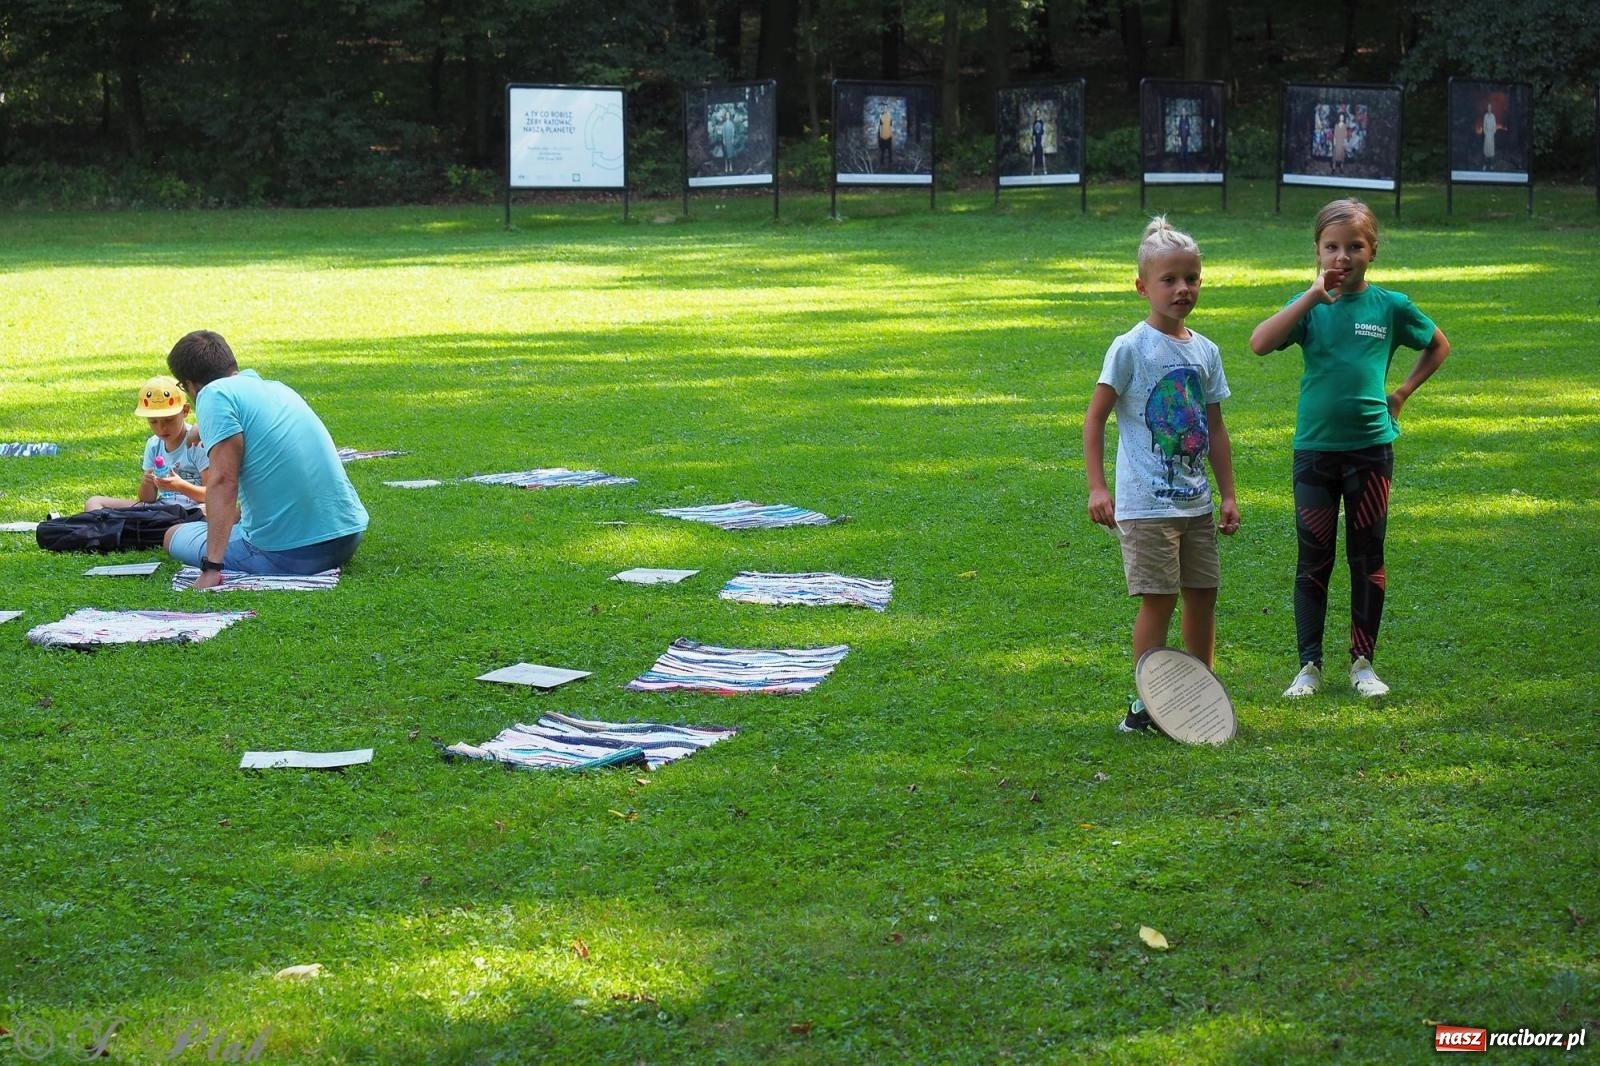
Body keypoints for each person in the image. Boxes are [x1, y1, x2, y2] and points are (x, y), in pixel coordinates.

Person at [1248, 198, 1450, 699]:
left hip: (1370, 452)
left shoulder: (1391, 306)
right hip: (1315, 453)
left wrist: (1400, 394)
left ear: (1372, 250)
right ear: (1317, 252)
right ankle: (1308, 666)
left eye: (1354, 246)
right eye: (1331, 247)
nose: (1343, 257)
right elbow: (1258, 343)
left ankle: (1363, 664)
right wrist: (1310, 299)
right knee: (1313, 559)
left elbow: (1438, 344)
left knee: (1368, 556)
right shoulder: (1311, 308)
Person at [1085, 216, 1240, 733]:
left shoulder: (1206, 351)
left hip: (1195, 503)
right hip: (1146, 504)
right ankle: (1148, 699)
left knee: (1203, 593)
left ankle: (1200, 690)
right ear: (1142, 286)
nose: (1182, 289)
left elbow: (1215, 429)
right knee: (1161, 597)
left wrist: (1228, 496)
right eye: (1169, 280)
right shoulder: (1131, 347)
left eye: (1191, 278)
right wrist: (1097, 486)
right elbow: (1095, 417)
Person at [162, 330, 368, 588]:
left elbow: (224, 481)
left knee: (173, 535)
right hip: (347, 537)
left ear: (190, 385)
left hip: (292, 553)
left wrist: (211, 568)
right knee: (222, 519)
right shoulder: (276, 389)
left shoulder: (213, 396)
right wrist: (199, 428)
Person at [84, 376, 209, 513]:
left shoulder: (196, 442)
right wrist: (147, 482)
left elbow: (212, 494)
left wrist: (180, 486)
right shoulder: (154, 444)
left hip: (193, 509)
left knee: (210, 510)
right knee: (94, 502)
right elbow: (147, 499)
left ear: (185, 411)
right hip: (161, 509)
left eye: (169, 420)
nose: (162, 428)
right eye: (153, 422)